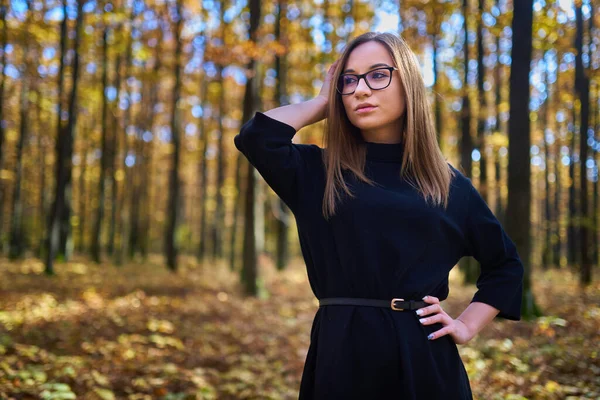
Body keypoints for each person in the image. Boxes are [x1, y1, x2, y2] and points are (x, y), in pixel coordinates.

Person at [234, 31, 524, 400]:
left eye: (378, 74)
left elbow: (505, 265)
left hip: (425, 362)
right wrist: (324, 101)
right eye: (349, 80)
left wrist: (467, 325)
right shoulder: (318, 171)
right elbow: (257, 137)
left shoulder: (446, 184)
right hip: (342, 357)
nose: (360, 90)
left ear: (409, 85)